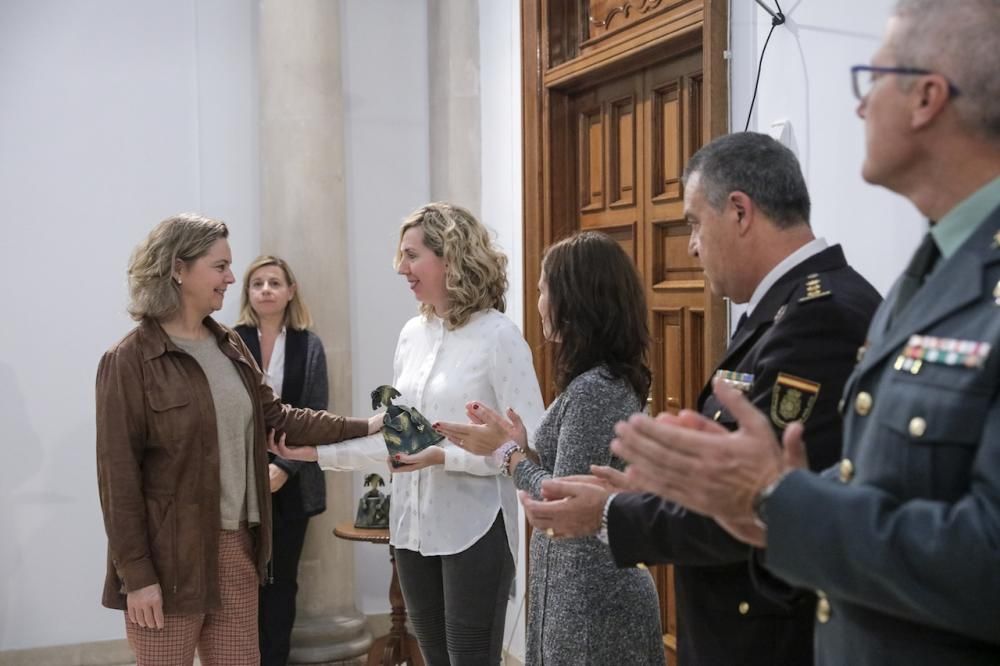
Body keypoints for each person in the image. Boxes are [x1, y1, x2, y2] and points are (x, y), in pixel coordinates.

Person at [605, 1, 1000, 664]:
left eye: (871, 80)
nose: (859, 106)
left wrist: (776, 499)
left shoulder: (897, 292)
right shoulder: (927, 275)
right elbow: (884, 492)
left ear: (929, 97)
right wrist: (773, 499)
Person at [518, 133, 882, 665]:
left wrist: (610, 514)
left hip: (771, 637)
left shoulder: (817, 317)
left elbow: (757, 502)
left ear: (739, 212)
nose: (689, 244)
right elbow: (741, 480)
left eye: (693, 222)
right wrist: (660, 485)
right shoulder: (782, 309)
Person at [96, 214, 382, 665]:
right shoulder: (129, 360)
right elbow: (119, 481)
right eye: (220, 266)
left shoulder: (228, 345)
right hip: (168, 559)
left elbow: (280, 417)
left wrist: (365, 426)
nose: (232, 278)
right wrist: (137, 575)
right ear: (178, 269)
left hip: (236, 549)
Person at [272, 202, 545, 666]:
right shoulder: (411, 335)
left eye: (412, 255)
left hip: (474, 531)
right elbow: (400, 440)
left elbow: (530, 448)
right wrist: (313, 453)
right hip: (412, 530)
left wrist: (445, 459)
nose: (401, 268)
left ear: (451, 257)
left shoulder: (498, 337)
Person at [433, 231, 665, 665]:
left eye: (543, 289)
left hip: (594, 597)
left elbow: (561, 496)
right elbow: (564, 472)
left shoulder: (597, 388)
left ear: (575, 300)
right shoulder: (593, 381)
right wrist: (522, 447)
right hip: (576, 587)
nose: (537, 300)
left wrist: (506, 453)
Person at [234, 255, 330, 665]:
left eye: (275, 282)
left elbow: (315, 412)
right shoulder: (230, 340)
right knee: (241, 581)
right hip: (239, 480)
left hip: (293, 480)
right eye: (257, 283)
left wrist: (285, 467)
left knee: (282, 581)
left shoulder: (309, 344)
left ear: (290, 291)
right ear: (248, 294)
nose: (266, 290)